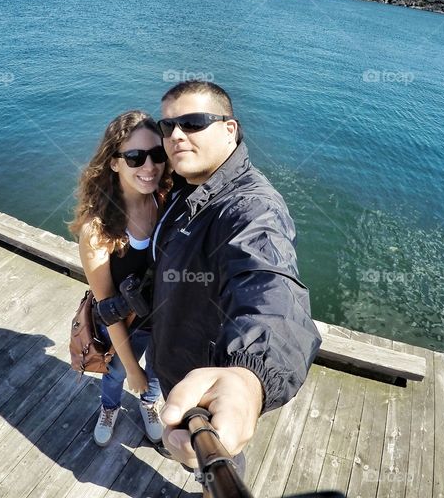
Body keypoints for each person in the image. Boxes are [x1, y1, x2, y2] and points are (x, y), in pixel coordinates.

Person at [150, 81, 322, 481]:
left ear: (230, 129)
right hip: (172, 358)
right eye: (167, 126)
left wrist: (248, 375)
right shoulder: (186, 188)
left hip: (209, 378)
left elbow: (268, 283)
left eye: (192, 123)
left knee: (218, 463)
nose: (176, 135)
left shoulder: (250, 207)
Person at [68, 110, 171, 447]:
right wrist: (131, 369)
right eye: (135, 157)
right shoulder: (97, 229)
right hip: (121, 325)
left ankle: (148, 405)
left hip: (161, 318)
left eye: (157, 154)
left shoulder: (166, 200)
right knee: (114, 374)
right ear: (114, 162)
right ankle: (110, 408)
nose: (149, 166)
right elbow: (108, 307)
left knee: (155, 368)